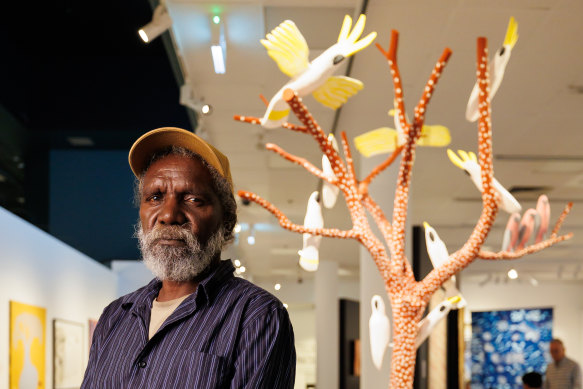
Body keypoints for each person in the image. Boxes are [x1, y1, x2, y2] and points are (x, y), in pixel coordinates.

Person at [81, 127, 296, 388]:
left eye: (193, 199)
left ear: (226, 221)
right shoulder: (115, 317)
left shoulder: (256, 317)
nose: (169, 215)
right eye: (155, 197)